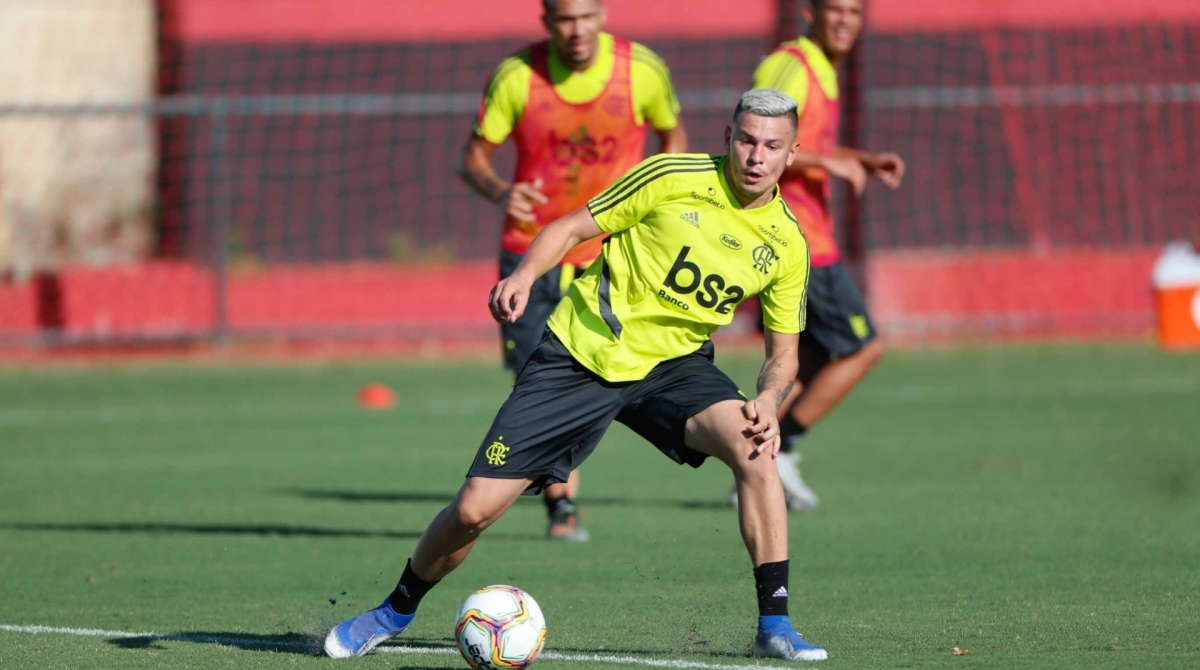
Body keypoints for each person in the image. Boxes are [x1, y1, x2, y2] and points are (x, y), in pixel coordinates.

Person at [325, 89, 828, 662]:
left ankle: (775, 625)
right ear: (727, 139)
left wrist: (768, 397)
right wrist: (523, 276)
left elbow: (783, 354)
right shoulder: (670, 175)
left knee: (756, 448)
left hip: (673, 368)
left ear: (791, 154)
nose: (755, 157)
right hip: (581, 354)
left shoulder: (787, 242)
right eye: (745, 140)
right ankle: (392, 611)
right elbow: (568, 229)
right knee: (473, 510)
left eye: (771, 146)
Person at [459, 0, 688, 541]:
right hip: (530, 254)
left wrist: (661, 201)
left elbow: (673, 140)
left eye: (587, 16)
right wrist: (501, 190)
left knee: (593, 377)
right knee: (534, 381)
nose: (577, 29)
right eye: (565, 18)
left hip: (612, 254)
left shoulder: (643, 71)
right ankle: (555, 501)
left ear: (603, 15)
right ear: (547, 22)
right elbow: (472, 158)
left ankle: (561, 504)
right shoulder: (517, 77)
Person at [736, 0, 905, 511]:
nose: (844, 22)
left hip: (804, 235)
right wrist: (831, 161)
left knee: (807, 357)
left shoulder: (823, 71)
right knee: (863, 347)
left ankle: (757, 458)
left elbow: (805, 147)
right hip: (801, 239)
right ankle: (784, 448)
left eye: (854, 12)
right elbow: (761, 143)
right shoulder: (792, 66)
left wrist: (860, 160)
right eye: (834, 10)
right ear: (810, 12)